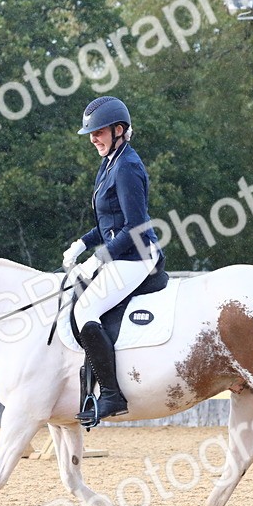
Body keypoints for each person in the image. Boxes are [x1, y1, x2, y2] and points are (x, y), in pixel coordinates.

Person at [62, 96, 164, 424]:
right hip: (118, 253)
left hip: (136, 257)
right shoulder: (109, 163)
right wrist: (81, 244)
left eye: (99, 132)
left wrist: (98, 259)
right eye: (91, 133)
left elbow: (135, 228)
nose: (93, 138)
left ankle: (111, 394)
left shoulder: (128, 166)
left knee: (85, 309)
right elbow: (108, 222)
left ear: (119, 130)